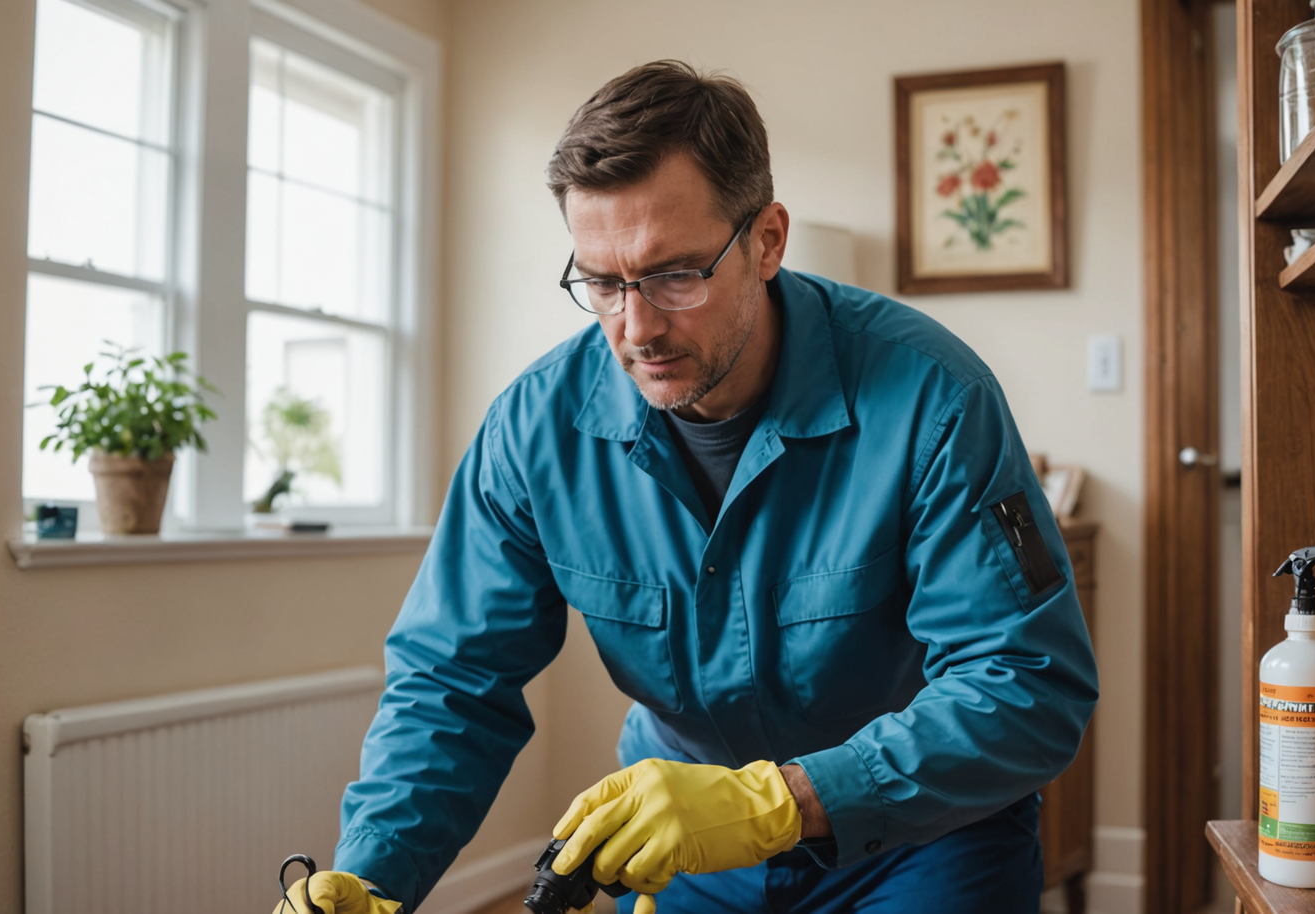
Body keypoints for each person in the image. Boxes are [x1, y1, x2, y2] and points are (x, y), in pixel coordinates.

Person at [276, 60, 1097, 914]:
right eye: (600, 282)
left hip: (920, 840)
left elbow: (1027, 683)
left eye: (675, 275)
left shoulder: (935, 398)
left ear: (768, 240)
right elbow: (452, 680)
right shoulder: (532, 430)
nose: (636, 328)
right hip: (684, 850)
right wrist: (371, 874)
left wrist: (778, 802)